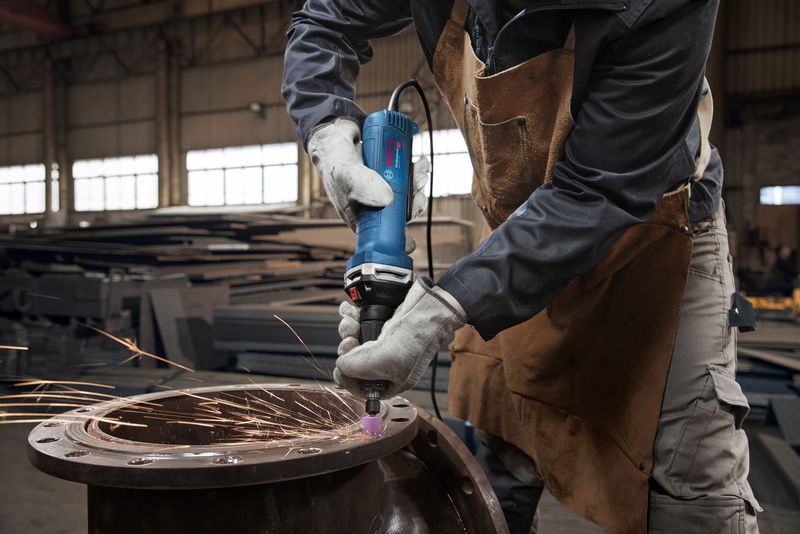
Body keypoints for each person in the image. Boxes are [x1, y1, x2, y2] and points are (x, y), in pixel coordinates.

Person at [282, 1, 761, 532]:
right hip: (515, 233)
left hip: (651, 242)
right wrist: (325, 129)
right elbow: (325, 21)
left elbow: (598, 191)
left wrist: (439, 311)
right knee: (503, 446)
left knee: (688, 486)